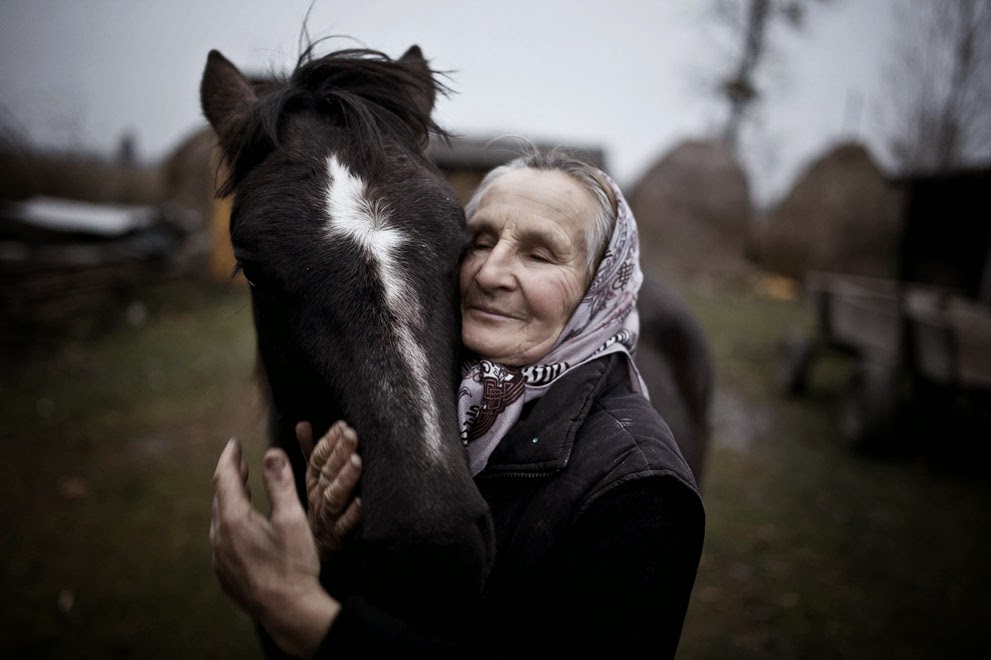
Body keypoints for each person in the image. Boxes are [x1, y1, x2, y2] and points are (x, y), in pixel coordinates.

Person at [210, 149, 705, 659]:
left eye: (538, 255)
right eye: (480, 241)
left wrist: (300, 615)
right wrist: (328, 558)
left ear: (602, 290)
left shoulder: (640, 489)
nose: (490, 273)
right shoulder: (419, 405)